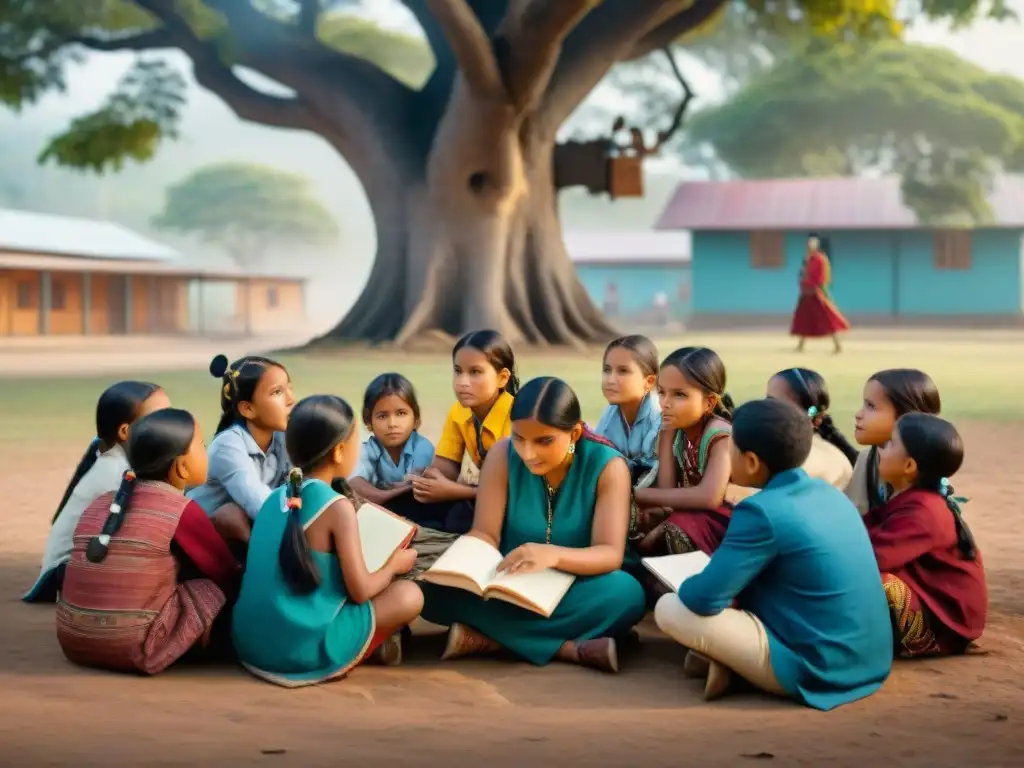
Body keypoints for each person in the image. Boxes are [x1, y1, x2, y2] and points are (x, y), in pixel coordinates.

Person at [654, 399, 893, 710]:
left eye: (731, 447)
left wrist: (691, 582)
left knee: (669, 608)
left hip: (820, 671)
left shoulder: (760, 511)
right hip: (872, 660)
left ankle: (740, 668)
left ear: (752, 462)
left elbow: (702, 600)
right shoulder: (830, 494)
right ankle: (731, 662)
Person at [421, 377, 646, 673]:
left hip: (577, 585)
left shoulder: (607, 467)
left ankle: (492, 638)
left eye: (544, 441)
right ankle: (566, 648)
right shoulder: (502, 454)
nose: (528, 453)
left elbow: (609, 554)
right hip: (510, 585)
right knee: (428, 591)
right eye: (519, 438)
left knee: (626, 594)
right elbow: (485, 533)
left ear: (575, 433)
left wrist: (553, 556)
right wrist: (468, 565)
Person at [232, 395, 424, 686]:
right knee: (410, 595)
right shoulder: (337, 507)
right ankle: (361, 650)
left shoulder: (274, 498)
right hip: (301, 650)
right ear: (339, 452)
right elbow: (361, 591)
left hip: (251, 645)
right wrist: (395, 565)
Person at [57, 409, 241, 674]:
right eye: (201, 445)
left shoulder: (103, 502)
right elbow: (226, 576)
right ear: (182, 467)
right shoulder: (181, 509)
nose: (206, 451)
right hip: (134, 648)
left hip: (74, 639)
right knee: (215, 587)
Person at [25, 381, 170, 603]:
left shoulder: (116, 459)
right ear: (125, 431)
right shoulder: (116, 473)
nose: (171, 424)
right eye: (160, 419)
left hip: (78, 564)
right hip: (66, 571)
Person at [866, 413, 987, 658]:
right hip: (928, 606)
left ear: (909, 466)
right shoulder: (910, 500)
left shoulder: (924, 510)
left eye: (890, 443)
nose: (881, 447)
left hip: (943, 628)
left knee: (867, 578)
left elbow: (874, 557)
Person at [410, 330, 519, 535]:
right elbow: (445, 468)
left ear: (502, 378)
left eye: (475, 372)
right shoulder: (458, 411)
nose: (462, 382)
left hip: (516, 501)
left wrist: (453, 491)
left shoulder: (517, 417)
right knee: (409, 503)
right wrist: (426, 479)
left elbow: (512, 492)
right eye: (458, 371)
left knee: (461, 515)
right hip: (481, 494)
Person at [347, 373, 453, 575]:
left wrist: (378, 496)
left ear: (416, 420)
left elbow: (415, 487)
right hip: (382, 511)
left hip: (415, 514)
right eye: (382, 416)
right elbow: (355, 481)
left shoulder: (422, 447)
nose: (392, 423)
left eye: (401, 413)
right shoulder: (367, 449)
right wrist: (383, 496)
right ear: (369, 423)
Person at [188, 354, 295, 548]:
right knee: (231, 514)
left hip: (244, 531)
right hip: (200, 541)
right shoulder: (228, 445)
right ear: (248, 409)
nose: (291, 400)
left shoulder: (281, 437)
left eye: (290, 388)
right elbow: (260, 505)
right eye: (277, 392)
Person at [635, 347, 734, 556]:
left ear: (709, 402)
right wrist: (666, 435)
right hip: (694, 515)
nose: (665, 403)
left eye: (679, 395)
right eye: (661, 392)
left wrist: (637, 494)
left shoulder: (719, 435)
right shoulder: (676, 430)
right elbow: (666, 488)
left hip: (725, 520)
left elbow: (710, 497)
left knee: (668, 532)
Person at [847, 369, 942, 516]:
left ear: (907, 419)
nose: (858, 414)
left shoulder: (926, 474)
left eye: (871, 406)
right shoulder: (868, 459)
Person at [767, 368, 857, 489]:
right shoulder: (789, 449)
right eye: (768, 402)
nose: (767, 410)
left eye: (780, 407)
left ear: (815, 418)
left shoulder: (811, 458)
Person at [594, 334, 662, 489]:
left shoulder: (660, 417)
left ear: (649, 381)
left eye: (623, 371)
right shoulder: (611, 414)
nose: (610, 380)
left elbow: (653, 474)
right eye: (607, 370)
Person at [790, 233, 850, 354]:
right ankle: (800, 345)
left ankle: (837, 345)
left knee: (827, 319)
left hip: (815, 292)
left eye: (813, 243)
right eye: (809, 243)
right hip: (806, 293)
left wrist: (816, 287)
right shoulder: (807, 259)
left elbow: (820, 278)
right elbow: (803, 273)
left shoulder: (820, 259)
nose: (810, 245)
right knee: (804, 319)